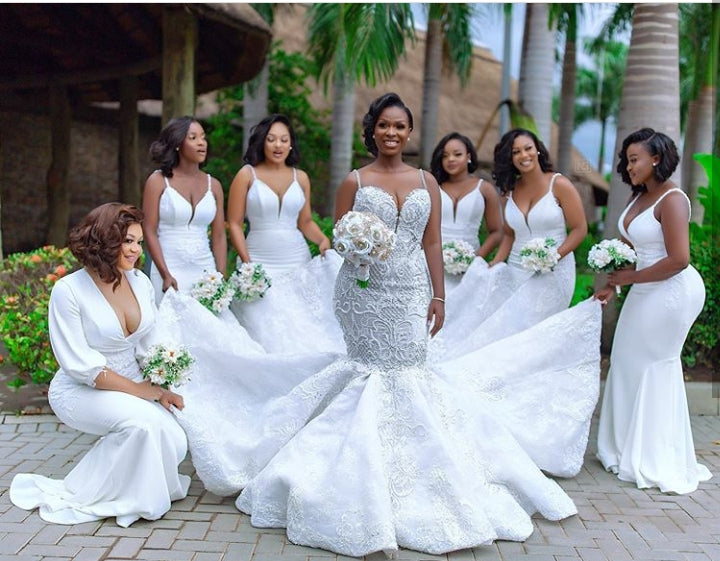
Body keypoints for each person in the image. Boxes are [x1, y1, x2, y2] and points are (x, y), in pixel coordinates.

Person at [225, 93, 603, 557]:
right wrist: (358, 248)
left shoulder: (426, 180)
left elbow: (433, 242)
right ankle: (358, 475)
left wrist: (438, 295)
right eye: (384, 125)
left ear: (409, 132)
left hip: (411, 292)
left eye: (400, 126)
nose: (392, 132)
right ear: (373, 130)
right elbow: (341, 237)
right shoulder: (354, 180)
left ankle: (415, 471)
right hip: (364, 293)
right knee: (371, 373)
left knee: (410, 372)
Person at [9, 203, 190, 527]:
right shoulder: (68, 290)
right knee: (142, 428)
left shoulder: (139, 282)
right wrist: (139, 391)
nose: (136, 250)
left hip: (133, 382)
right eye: (127, 241)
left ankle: (131, 486)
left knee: (176, 442)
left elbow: (150, 344)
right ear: (104, 241)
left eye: (138, 242)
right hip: (81, 389)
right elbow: (81, 366)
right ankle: (88, 492)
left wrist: (160, 389)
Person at [595, 128, 712, 494]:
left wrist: (630, 278)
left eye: (635, 160)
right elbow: (633, 249)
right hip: (645, 285)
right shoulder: (638, 196)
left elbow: (679, 259)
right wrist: (613, 281)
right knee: (625, 358)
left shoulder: (672, 199)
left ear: (656, 159)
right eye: (627, 160)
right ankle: (623, 446)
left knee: (654, 363)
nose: (629, 166)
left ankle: (655, 455)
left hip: (673, 290)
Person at [431, 128, 588, 360]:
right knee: (513, 332)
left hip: (555, 270)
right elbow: (508, 235)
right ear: (510, 158)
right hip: (516, 270)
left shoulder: (559, 184)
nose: (524, 155)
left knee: (536, 332)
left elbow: (579, 229)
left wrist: (554, 256)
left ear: (537, 150)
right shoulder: (511, 192)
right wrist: (494, 263)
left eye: (528, 148)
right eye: (516, 152)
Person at [225, 114, 344, 354]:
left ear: (291, 144)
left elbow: (305, 221)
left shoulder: (301, 178)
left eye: (283, 139)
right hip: (258, 261)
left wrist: (322, 239)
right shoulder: (247, 175)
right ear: (262, 142)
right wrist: (247, 262)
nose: (277, 145)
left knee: (300, 325)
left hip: (296, 260)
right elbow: (235, 224)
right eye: (271, 139)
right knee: (268, 332)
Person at [142, 116, 227, 305]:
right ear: (178, 144)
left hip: (205, 270)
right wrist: (165, 274)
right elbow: (149, 230)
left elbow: (219, 235)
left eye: (203, 137)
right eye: (193, 138)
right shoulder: (157, 181)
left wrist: (220, 276)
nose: (201, 143)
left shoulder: (214, 185)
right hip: (169, 269)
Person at [430, 132, 503, 290]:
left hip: (470, 265)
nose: (451, 159)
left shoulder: (485, 189)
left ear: (468, 156)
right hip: (434, 264)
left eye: (457, 154)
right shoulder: (433, 187)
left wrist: (476, 259)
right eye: (445, 156)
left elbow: (497, 232)